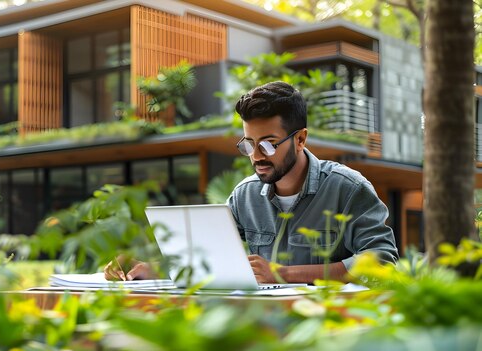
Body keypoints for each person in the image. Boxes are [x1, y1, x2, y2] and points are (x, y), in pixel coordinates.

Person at [105, 81, 399, 283]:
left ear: (300, 139)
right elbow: (209, 260)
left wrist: (284, 273)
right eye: (248, 144)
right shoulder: (244, 196)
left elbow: (382, 261)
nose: (256, 155)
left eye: (269, 144)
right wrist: (149, 270)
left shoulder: (347, 188)